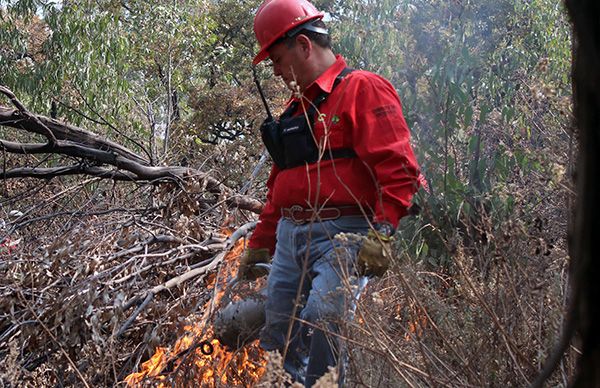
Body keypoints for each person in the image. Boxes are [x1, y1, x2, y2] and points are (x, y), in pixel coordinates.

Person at [237, 0, 422, 386]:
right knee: (279, 333)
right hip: (290, 237)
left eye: (276, 57)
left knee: (324, 319)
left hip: (342, 233)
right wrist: (260, 242)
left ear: (303, 45)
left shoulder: (363, 88)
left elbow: (399, 169)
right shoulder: (295, 108)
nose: (273, 69)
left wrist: (383, 232)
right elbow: (281, 186)